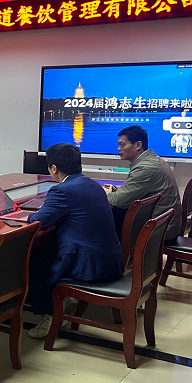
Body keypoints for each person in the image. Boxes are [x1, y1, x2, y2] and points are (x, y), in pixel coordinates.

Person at [26, 143, 123, 339]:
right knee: (46, 249)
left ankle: (49, 314)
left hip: (88, 265)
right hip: (111, 260)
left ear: (54, 168)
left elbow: (38, 221)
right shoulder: (93, 184)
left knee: (33, 260)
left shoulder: (62, 190)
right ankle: (64, 300)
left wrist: (34, 214)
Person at [104, 125, 182, 242]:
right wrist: (115, 189)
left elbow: (119, 201)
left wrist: (101, 192)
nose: (118, 149)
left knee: (103, 221)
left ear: (138, 145)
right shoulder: (153, 160)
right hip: (164, 225)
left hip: (159, 231)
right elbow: (135, 190)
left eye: (122, 145)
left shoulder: (145, 168)